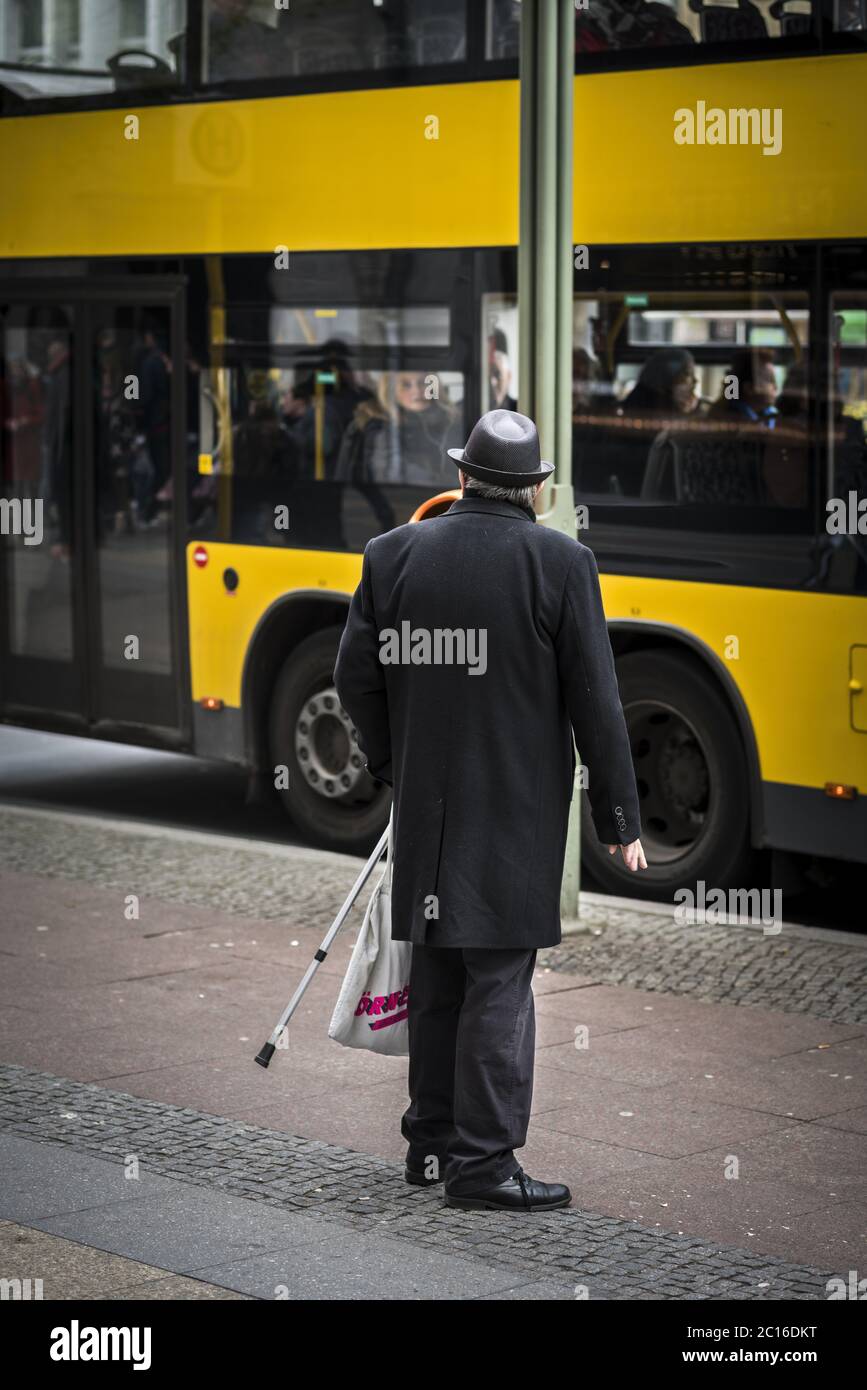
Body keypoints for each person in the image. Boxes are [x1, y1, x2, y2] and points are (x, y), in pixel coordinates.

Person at [334, 409, 646, 1213]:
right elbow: (596, 703)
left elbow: (354, 677)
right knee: (499, 985)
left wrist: (391, 765)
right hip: (512, 819)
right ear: (536, 490)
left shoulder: (391, 553)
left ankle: (431, 1146)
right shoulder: (560, 562)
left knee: (439, 977)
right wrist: (621, 821)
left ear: (462, 476)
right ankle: (483, 1167)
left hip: (428, 820)